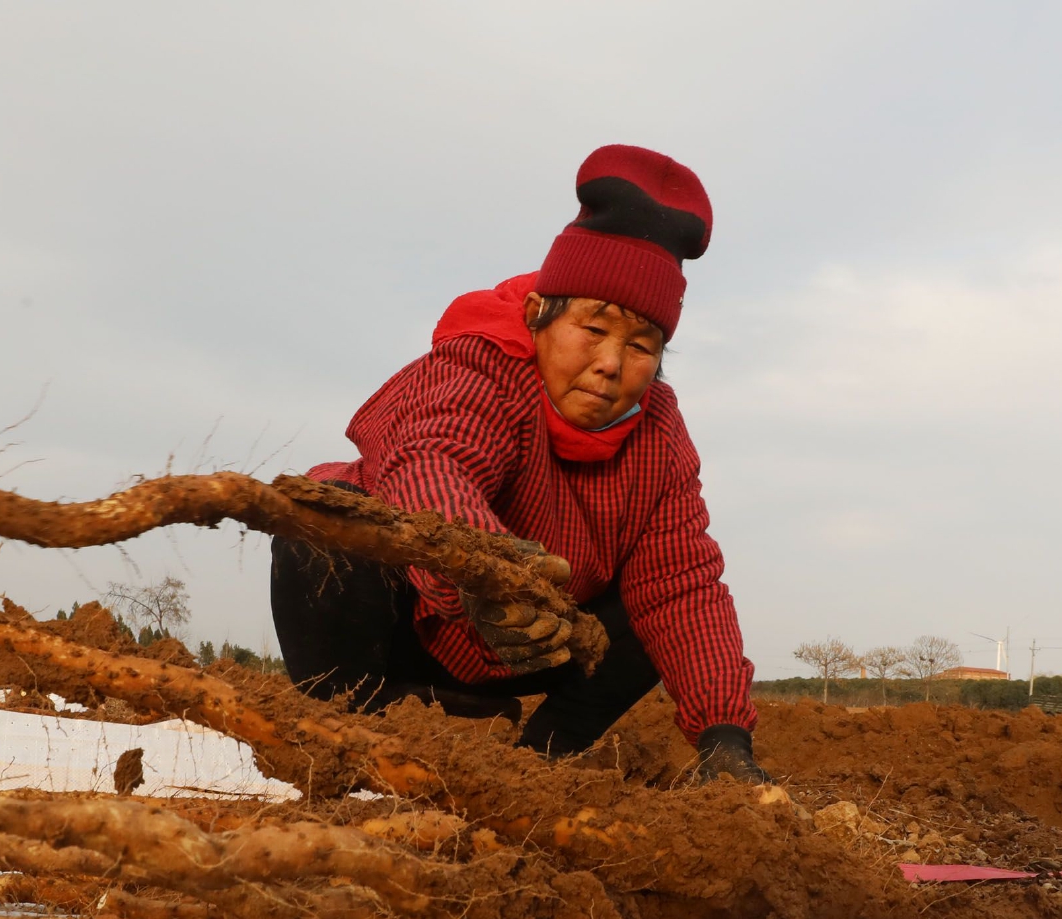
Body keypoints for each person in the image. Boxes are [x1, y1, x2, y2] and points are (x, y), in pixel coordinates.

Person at [270, 144, 766, 782]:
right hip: (415, 621)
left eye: (641, 345)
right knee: (318, 528)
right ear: (539, 316)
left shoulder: (660, 435)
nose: (613, 363)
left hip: (526, 639)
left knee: (657, 613)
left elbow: (683, 585)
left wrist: (724, 737)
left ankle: (537, 764)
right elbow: (434, 462)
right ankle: (346, 738)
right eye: (594, 329)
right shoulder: (484, 364)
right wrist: (490, 577)